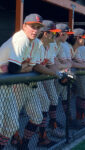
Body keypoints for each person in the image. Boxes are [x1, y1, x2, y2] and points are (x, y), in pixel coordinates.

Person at [0, 14, 44, 150]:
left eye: (38, 27)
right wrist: (25, 67)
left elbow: (31, 66)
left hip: (6, 85)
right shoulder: (21, 38)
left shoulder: (34, 42)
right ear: (24, 26)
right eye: (32, 26)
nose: (35, 30)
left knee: (12, 124)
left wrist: (23, 67)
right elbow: (14, 68)